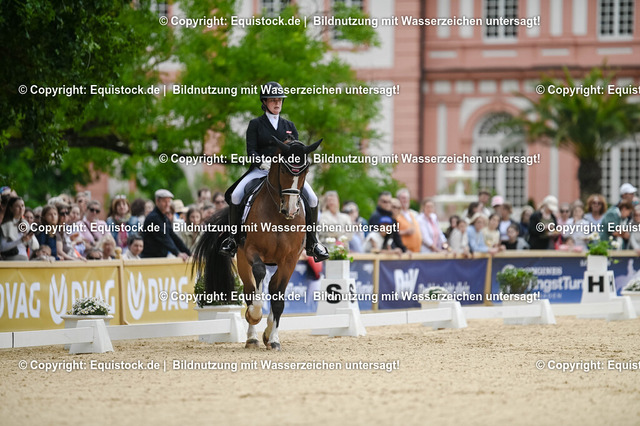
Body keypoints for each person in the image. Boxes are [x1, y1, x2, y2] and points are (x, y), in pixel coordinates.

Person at [218, 81, 328, 261]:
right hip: (261, 170)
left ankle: (313, 243)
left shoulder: (289, 126)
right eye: (273, 100)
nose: (277, 103)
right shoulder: (255, 124)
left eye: (279, 100)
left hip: (287, 173)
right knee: (236, 195)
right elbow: (251, 150)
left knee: (313, 199)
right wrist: (262, 162)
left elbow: (296, 151)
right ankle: (233, 239)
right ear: (265, 102)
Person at [141, 189, 191, 260]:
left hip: (160, 258)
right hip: (150, 258)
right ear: (157, 201)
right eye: (164, 201)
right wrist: (177, 253)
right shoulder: (154, 218)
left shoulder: (164, 217)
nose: (167, 204)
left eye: (169, 201)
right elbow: (164, 238)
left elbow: (173, 236)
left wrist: (189, 253)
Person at [395, 188, 422, 253]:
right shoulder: (396, 215)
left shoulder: (413, 214)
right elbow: (391, 233)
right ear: (398, 199)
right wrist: (405, 232)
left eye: (407, 198)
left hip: (417, 251)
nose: (405, 200)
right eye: (403, 198)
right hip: (404, 252)